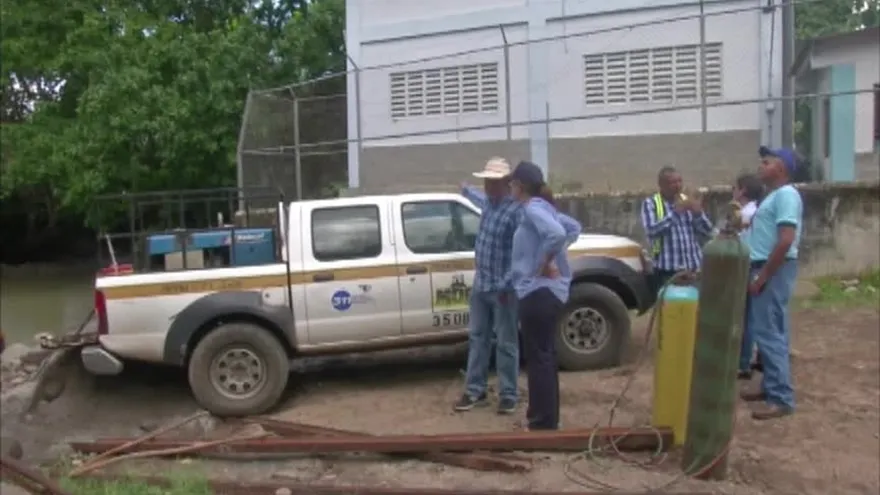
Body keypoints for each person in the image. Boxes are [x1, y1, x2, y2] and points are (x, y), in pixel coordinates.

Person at [507, 161, 582, 431]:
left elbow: (559, 234)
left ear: (521, 186)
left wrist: (543, 262)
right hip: (548, 293)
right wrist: (553, 258)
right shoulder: (544, 208)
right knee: (545, 357)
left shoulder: (532, 209)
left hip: (537, 292)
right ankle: (547, 418)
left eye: (512, 184)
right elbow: (573, 228)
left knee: (538, 358)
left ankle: (541, 422)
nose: (509, 188)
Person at [454, 157, 522, 415]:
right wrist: (465, 188)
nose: (488, 186)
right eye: (486, 182)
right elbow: (476, 197)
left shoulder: (515, 211)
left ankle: (508, 394)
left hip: (503, 289)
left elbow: (520, 254)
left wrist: (507, 285)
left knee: (506, 342)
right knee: (478, 338)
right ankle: (475, 390)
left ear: (506, 183)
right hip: (482, 284)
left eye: (492, 182)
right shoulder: (488, 204)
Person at [740, 146, 803, 420]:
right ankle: (770, 387)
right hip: (768, 267)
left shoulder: (787, 195)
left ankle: (781, 397)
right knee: (771, 328)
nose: (760, 166)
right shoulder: (775, 196)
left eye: (767, 162)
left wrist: (763, 276)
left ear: (782, 168)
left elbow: (786, 239)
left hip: (772, 269)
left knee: (767, 332)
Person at [640, 167, 714, 292]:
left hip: (693, 270)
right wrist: (675, 212)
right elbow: (651, 230)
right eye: (672, 182)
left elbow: (708, 231)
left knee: (694, 308)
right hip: (667, 271)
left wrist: (698, 213)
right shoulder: (651, 203)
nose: (678, 186)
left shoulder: (687, 201)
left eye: (680, 181)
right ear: (661, 185)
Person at [733, 172, 765, 380]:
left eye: (735, 187)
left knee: (749, 316)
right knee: (757, 315)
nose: (733, 192)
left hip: (750, 265)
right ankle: (757, 358)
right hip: (757, 265)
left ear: (742, 190)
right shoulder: (757, 211)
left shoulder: (745, 214)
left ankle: (744, 363)